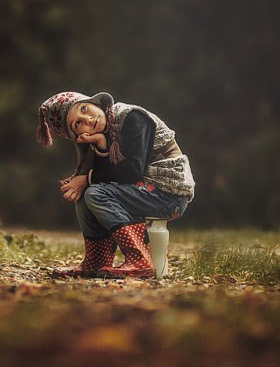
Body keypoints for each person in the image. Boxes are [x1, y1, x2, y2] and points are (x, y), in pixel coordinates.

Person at [36, 91, 195, 278]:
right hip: (143, 191)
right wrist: (102, 146)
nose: (87, 119)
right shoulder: (101, 136)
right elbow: (109, 179)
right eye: (77, 124)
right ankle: (96, 261)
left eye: (84, 109)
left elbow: (133, 172)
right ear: (78, 136)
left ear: (95, 103)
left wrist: (87, 179)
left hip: (169, 194)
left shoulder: (132, 118)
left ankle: (140, 258)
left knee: (94, 193)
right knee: (85, 196)